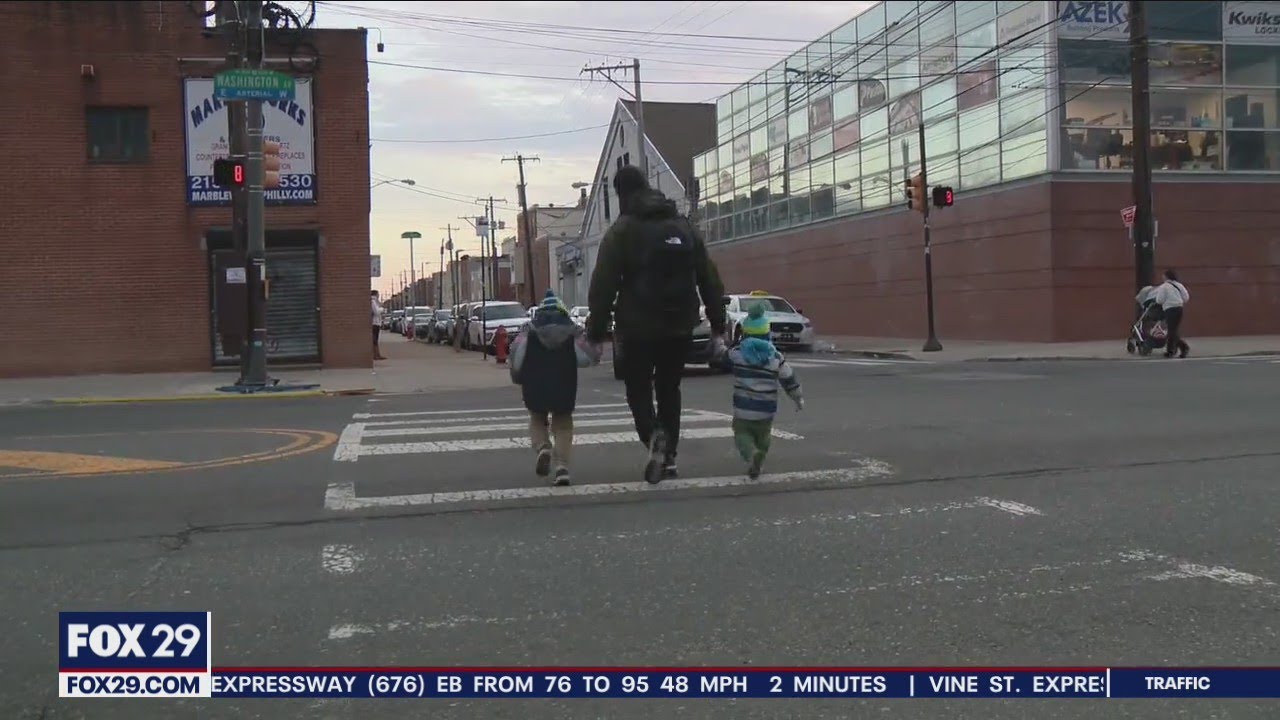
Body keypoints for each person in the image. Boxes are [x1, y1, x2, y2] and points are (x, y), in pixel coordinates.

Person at [586, 164, 727, 484]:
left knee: (638, 387)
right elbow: (709, 276)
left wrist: (596, 332)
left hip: (637, 326)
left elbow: (603, 285)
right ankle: (671, 457)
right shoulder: (682, 224)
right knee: (669, 388)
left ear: (620, 193)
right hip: (680, 323)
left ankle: (653, 437)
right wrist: (718, 322)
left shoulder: (622, 230)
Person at [712, 304, 803, 479]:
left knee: (742, 434)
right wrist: (798, 399)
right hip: (766, 410)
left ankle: (750, 453)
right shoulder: (775, 358)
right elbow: (789, 379)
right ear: (767, 334)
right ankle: (759, 460)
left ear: (745, 334)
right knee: (764, 436)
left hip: (743, 409)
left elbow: (722, 355)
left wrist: (719, 342)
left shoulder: (738, 354)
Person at [519, 289, 590, 487]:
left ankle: (543, 448)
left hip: (535, 385)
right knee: (563, 425)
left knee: (537, 420)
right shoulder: (571, 333)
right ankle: (562, 468)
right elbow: (585, 358)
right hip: (564, 384)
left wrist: (518, 376)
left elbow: (516, 359)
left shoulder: (529, 332)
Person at [1153, 269, 1190, 358]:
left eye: (1163, 275)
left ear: (1166, 277)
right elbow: (1186, 297)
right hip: (1179, 308)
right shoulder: (1179, 285)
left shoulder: (1164, 286)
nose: (1162, 277)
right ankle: (1171, 350)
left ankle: (1182, 347)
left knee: (1171, 330)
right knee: (1173, 330)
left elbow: (1159, 300)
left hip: (1170, 309)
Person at [371, 290, 386, 361]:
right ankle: (375, 355)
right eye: (378, 294)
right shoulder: (373, 301)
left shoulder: (375, 302)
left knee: (375, 340)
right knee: (374, 340)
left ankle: (377, 355)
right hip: (374, 323)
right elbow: (376, 312)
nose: (378, 295)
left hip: (377, 323)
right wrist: (382, 309)